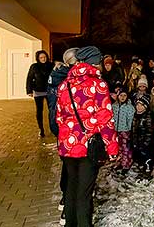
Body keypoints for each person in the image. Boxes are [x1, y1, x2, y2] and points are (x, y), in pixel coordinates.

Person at [56, 46, 118, 226]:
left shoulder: (64, 85)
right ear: (95, 63)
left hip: (67, 145)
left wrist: (69, 135)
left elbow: (59, 117)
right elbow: (105, 119)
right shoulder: (98, 85)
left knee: (71, 188)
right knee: (84, 193)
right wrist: (112, 148)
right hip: (88, 146)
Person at [46, 47, 78, 225]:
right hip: (71, 131)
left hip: (62, 131)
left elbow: (52, 108)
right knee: (73, 171)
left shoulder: (55, 77)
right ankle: (68, 208)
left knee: (68, 167)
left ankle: (65, 200)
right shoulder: (68, 79)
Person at [26, 49, 54, 137]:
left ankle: (53, 128)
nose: (43, 59)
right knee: (39, 111)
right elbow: (29, 78)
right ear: (38, 58)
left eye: (45, 57)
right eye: (41, 57)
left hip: (50, 91)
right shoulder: (34, 66)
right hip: (38, 91)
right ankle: (41, 129)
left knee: (52, 110)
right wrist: (29, 90)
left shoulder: (51, 65)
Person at [112, 87, 135, 175]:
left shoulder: (130, 107)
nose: (122, 97)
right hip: (116, 130)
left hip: (125, 130)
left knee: (126, 148)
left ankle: (126, 164)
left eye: (125, 95)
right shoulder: (114, 106)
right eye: (121, 95)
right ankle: (120, 162)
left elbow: (131, 119)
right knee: (119, 148)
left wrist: (128, 129)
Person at [132, 94, 154, 179]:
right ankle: (142, 167)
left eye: (141, 105)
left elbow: (149, 130)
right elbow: (133, 129)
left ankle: (148, 169)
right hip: (137, 140)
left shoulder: (148, 116)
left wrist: (146, 142)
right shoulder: (135, 115)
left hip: (145, 141)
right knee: (140, 155)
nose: (139, 107)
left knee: (147, 156)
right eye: (137, 105)